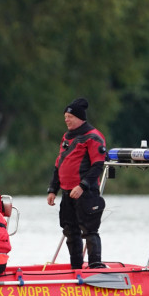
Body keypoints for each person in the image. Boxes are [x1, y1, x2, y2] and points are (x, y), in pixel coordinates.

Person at [46, 97, 107, 269]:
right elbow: (59, 164)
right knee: (70, 231)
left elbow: (97, 166)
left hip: (85, 192)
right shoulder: (67, 137)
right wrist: (52, 189)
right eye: (65, 116)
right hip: (67, 192)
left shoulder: (93, 137)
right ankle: (76, 267)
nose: (66, 119)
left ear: (80, 118)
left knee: (89, 230)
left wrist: (82, 186)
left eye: (69, 116)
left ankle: (95, 265)